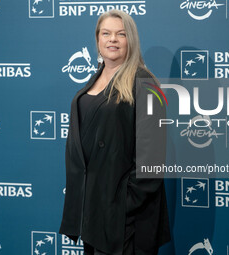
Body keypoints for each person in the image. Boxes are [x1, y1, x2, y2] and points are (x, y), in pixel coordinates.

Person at [59, 10, 171, 255]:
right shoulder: (94, 79)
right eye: (106, 33)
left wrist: (123, 203)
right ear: (97, 39)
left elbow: (152, 158)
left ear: (131, 40)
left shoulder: (146, 83)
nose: (113, 39)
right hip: (94, 215)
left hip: (126, 221)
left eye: (121, 34)